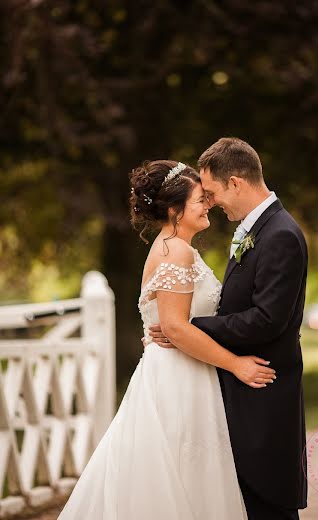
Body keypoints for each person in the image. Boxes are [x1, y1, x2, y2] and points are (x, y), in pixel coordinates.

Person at [57, 159, 276, 520]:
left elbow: (177, 324)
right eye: (199, 200)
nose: (208, 205)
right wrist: (236, 364)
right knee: (178, 478)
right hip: (177, 378)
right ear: (175, 210)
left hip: (182, 371)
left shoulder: (175, 247)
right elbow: (175, 328)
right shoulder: (174, 250)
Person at [149, 138, 308, 520]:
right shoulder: (258, 230)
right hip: (235, 392)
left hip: (263, 394)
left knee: (268, 503)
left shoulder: (280, 235)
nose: (212, 202)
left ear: (236, 183)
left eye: (214, 192)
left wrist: (189, 327)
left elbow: (267, 319)